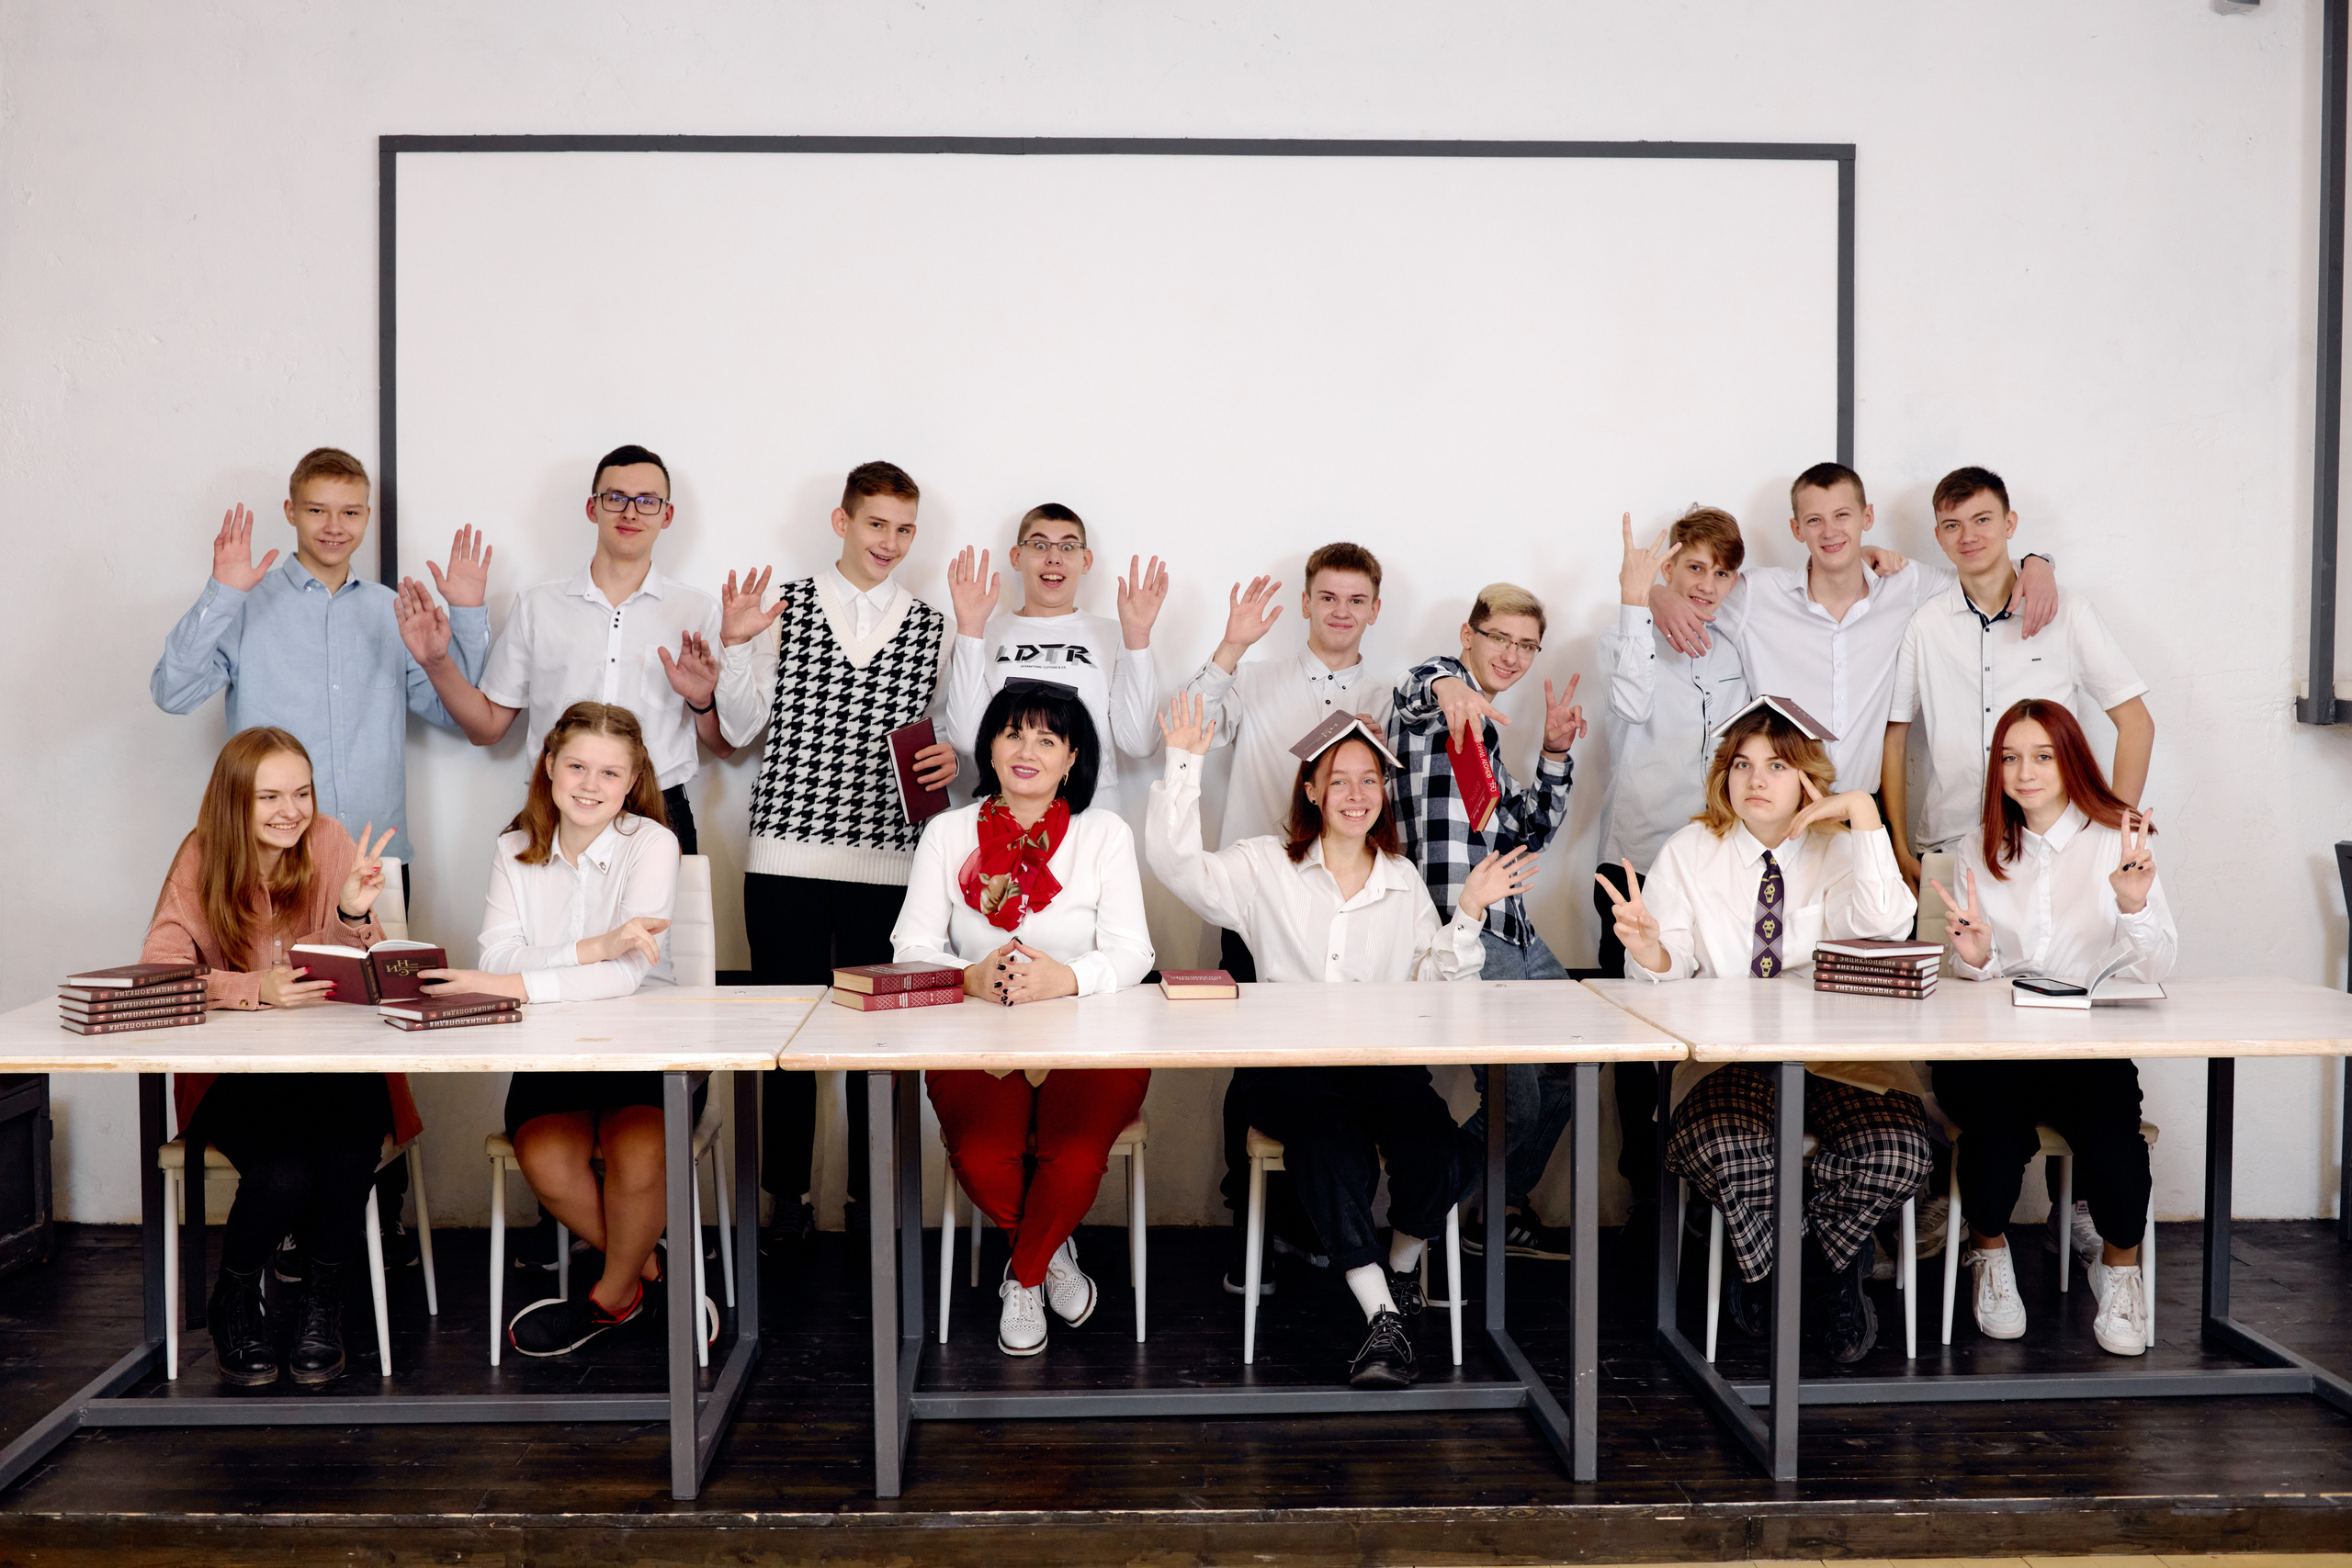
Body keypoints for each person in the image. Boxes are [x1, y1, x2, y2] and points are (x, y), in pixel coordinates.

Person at [1147, 694, 1534, 1388]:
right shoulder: (1264, 865)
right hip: (1289, 1066)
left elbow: (1430, 981)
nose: (1355, 795)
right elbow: (1177, 865)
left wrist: (1469, 912)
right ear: (1311, 789)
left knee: (1439, 1152)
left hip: (1380, 1064)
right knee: (1330, 1150)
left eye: (1369, 780)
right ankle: (1383, 1319)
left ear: (1382, 794)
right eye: (1339, 779)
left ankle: (1403, 1272)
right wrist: (1184, 764)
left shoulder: (1402, 879)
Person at [1599, 702, 1923, 1363]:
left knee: (1896, 1149)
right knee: (1729, 1149)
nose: (1756, 780)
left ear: (1806, 776)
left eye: (1776, 765)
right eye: (1742, 764)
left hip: (1838, 1059)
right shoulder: (1692, 849)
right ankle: (1779, 1274)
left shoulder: (1840, 848)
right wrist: (1649, 946)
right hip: (1726, 1061)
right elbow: (1668, 966)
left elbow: (1888, 925)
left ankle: (1821, 1270)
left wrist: (1862, 813)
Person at [709, 460, 956, 1248]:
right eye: (876, 523)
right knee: (780, 1039)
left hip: (889, 863)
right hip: (783, 854)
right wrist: (737, 645)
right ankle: (778, 1196)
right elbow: (741, 728)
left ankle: (865, 1201)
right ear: (841, 520)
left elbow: (951, 744)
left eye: (904, 528)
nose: (890, 541)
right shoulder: (783, 603)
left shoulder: (931, 624)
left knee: (874, 1046)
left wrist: (953, 758)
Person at [418, 702, 693, 1359]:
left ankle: (606, 1297)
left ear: (632, 782)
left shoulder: (654, 844)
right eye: (576, 765)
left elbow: (626, 976)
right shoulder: (513, 849)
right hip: (548, 1046)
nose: (590, 784)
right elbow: (494, 957)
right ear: (548, 766)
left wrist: (521, 984)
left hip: (647, 1044)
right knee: (544, 1155)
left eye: (609, 772)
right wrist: (594, 946)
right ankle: (653, 1278)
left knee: (640, 1150)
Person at [140, 728, 413, 1387]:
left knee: (350, 1156)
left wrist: (351, 914)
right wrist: (249, 987)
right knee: (286, 1174)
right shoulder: (200, 856)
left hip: (332, 1066)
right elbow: (157, 975)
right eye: (269, 795)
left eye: (302, 792)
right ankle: (234, 1293)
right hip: (237, 1079)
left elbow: (363, 970)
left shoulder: (328, 839)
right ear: (235, 799)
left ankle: (322, 1303)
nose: (291, 810)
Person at [893, 681, 1154, 1358]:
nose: (1027, 750)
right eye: (1013, 733)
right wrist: (969, 976)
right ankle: (1050, 1254)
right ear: (991, 745)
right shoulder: (947, 832)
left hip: (1091, 1034)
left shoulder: (1104, 834)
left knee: (1070, 1154)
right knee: (980, 1156)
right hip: (977, 1033)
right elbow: (910, 947)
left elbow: (1134, 951)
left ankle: (1026, 1277)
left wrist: (1064, 978)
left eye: (1047, 738)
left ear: (1072, 758)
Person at [1177, 541, 1394, 1289]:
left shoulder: (1390, 694)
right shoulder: (1257, 677)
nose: (1341, 611)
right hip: (1252, 896)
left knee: (1338, 1067)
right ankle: (1252, 1224)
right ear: (1306, 603)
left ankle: (1317, 1223)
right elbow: (1190, 725)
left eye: (1356, 599)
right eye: (1327, 597)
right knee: (1255, 1065)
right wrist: (1232, 644)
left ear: (1374, 608)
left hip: (1343, 901)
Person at [1928, 698, 2174, 1357]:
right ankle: (1989, 1254)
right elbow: (1973, 969)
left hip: (2084, 1046)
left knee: (2115, 1136)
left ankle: (2121, 1270)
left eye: (2041, 755)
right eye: (2009, 757)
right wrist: (1975, 957)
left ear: (2070, 761)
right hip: (1995, 1050)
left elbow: (2157, 963)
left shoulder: (2117, 841)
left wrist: (2133, 903)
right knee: (1992, 1133)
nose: (2024, 771)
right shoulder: (1976, 850)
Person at [152, 446, 492, 877]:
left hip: (374, 858)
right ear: (291, 512)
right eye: (317, 510)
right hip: (271, 857)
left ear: (367, 516)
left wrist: (466, 614)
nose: (334, 527)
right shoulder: (245, 607)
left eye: (350, 513)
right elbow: (172, 694)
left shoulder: (393, 611)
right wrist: (222, 594)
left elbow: (453, 711)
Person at [1647, 461, 2059, 797]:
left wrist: (2036, 563)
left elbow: (1983, 576)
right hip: (1779, 806)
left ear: (1867, 517)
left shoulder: (1906, 584)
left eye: (1842, 515)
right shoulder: (1756, 595)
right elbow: (1698, 587)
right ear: (1796, 530)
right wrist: (1657, 595)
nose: (1830, 532)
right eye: (1815, 520)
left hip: (1865, 809)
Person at [1387, 583, 1586, 1259]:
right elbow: (1421, 685)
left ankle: (1493, 1210)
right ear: (1468, 633)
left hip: (1518, 931)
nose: (1513, 654)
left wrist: (1555, 754)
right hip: (1462, 931)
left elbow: (1530, 835)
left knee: (1574, 1063)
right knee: (1516, 1100)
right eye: (1499, 637)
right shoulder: (1430, 704)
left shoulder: (1492, 737)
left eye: (1527, 644)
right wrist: (1451, 686)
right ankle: (1420, 1213)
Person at [411, 444, 729, 852]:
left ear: (666, 515)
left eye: (647, 501)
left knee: (658, 921)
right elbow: (486, 728)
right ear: (592, 508)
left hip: (658, 808)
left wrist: (703, 701)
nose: (630, 512)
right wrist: (436, 662)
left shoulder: (697, 610)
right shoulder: (538, 606)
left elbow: (724, 745)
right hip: (555, 805)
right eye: (615, 498)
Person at [1884, 466, 2154, 942]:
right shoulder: (1926, 624)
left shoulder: (2066, 612)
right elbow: (1895, 733)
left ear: (2010, 524)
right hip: (1948, 844)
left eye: (1983, 520)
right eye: (1953, 525)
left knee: (2057, 984)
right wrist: (1901, 848)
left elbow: (2135, 722)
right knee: (1947, 1000)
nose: (1969, 536)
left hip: (2054, 847)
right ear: (1939, 537)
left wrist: (2115, 832)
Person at [1592, 508, 1751, 1209]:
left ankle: (1708, 1191)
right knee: (1637, 1041)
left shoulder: (1735, 649)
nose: (1708, 584)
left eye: (1721, 572)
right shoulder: (1624, 638)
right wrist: (1637, 598)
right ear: (1668, 567)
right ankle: (1646, 1191)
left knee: (1713, 1025)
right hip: (1638, 867)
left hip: (1716, 867)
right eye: (1694, 567)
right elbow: (1628, 704)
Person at [943, 503, 1163, 805]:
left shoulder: (1116, 634)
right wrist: (969, 629)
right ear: (1016, 557)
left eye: (1068, 547)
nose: (1054, 557)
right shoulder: (983, 634)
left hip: (1090, 823)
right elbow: (967, 739)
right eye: (1040, 544)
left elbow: (1141, 744)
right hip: (1003, 826)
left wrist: (1137, 638)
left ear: (1086, 561)